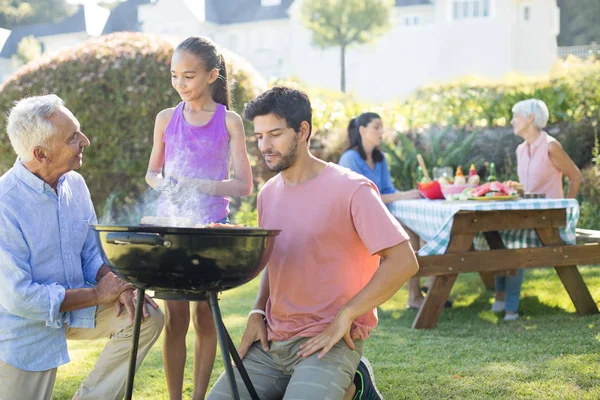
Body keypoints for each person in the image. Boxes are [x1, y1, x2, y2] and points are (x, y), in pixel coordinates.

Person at [206, 86, 419, 400]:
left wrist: (346, 315)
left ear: (303, 130)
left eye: (275, 134)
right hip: (271, 343)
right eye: (260, 136)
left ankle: (353, 381)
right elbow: (275, 263)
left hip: (330, 340)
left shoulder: (352, 189)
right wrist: (257, 313)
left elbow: (403, 261)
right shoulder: (267, 195)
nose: (265, 145)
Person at [0, 95, 164, 400]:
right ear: (41, 153)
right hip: (20, 325)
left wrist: (117, 284)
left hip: (76, 303)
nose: (85, 141)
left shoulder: (75, 184)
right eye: (73, 137)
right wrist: (99, 294)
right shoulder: (5, 204)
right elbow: (20, 299)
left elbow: (89, 253)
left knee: (144, 317)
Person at [145, 36, 253, 400]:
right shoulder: (165, 118)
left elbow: (243, 186)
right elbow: (152, 174)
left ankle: (198, 398)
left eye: (188, 76)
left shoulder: (230, 121)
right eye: (174, 75)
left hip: (209, 232)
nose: (180, 84)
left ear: (212, 75)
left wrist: (198, 185)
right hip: (172, 230)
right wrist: (165, 185)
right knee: (174, 320)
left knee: (204, 318)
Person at [491, 98, 582, 321]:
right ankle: (500, 296)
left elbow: (576, 177)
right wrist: (516, 187)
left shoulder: (551, 146)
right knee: (494, 235)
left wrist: (565, 210)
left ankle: (510, 307)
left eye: (516, 116)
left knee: (513, 242)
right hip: (527, 217)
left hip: (548, 222)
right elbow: (532, 189)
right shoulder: (521, 149)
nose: (512, 121)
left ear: (530, 118)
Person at [339, 112, 438, 310]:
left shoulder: (380, 158)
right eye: (376, 127)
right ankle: (419, 292)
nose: (381, 131)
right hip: (356, 220)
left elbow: (387, 191)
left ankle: (422, 291)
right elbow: (360, 198)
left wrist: (410, 194)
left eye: (381, 127)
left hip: (381, 217)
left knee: (414, 231)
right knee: (407, 234)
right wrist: (402, 196)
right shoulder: (349, 158)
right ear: (362, 130)